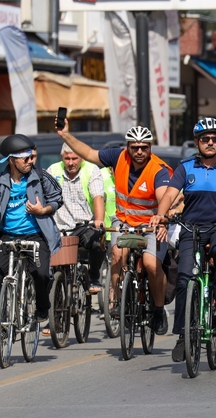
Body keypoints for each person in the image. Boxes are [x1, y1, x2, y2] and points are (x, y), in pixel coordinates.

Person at [150, 117, 216, 362]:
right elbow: (170, 194)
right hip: (192, 228)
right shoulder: (185, 167)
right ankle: (182, 335)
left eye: (214, 139)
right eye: (205, 139)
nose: (210, 143)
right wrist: (159, 214)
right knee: (184, 279)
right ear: (197, 142)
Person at [59, 123, 171, 335]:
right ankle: (118, 302)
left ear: (150, 147)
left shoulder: (159, 169)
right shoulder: (118, 157)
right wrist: (65, 135)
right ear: (128, 146)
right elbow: (89, 153)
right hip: (123, 222)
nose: (139, 151)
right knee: (117, 254)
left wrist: (161, 217)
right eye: (135, 147)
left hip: (151, 226)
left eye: (144, 147)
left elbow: (164, 195)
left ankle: (158, 309)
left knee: (151, 264)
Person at [0, 134, 62, 323]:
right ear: (12, 161)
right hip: (6, 236)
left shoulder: (41, 176)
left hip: (35, 235)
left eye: (31, 157)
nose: (30, 161)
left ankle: (42, 307)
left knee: (41, 273)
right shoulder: (1, 181)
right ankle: (3, 317)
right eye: (25, 158)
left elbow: (57, 197)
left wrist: (44, 209)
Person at [47, 143, 106, 293]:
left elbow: (98, 197)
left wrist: (99, 220)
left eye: (75, 158)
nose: (71, 163)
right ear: (62, 158)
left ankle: (94, 278)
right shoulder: (53, 170)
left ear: (82, 158)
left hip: (83, 225)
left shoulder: (91, 170)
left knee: (96, 242)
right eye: (67, 159)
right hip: (59, 226)